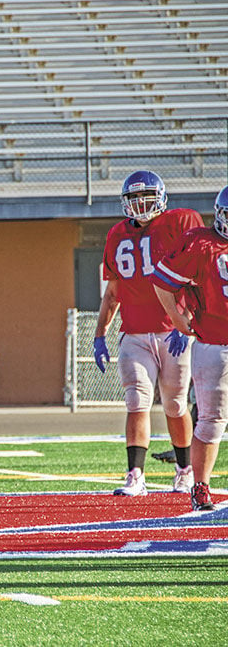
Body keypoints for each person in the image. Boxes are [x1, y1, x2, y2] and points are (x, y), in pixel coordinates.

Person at [93, 170, 202, 496]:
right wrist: (100, 333)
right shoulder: (116, 234)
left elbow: (199, 274)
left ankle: (184, 470)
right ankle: (135, 475)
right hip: (135, 333)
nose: (141, 205)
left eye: (147, 197)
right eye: (134, 199)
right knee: (136, 401)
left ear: (162, 197)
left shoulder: (181, 222)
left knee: (174, 404)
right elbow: (112, 292)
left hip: (174, 332)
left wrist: (191, 320)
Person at [151, 185, 228, 511]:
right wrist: (181, 322)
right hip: (215, 343)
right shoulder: (201, 244)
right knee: (211, 419)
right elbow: (162, 282)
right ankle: (200, 487)